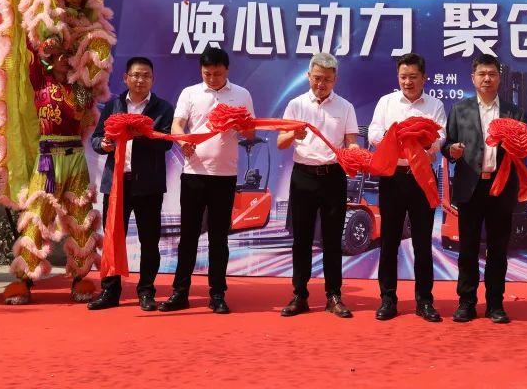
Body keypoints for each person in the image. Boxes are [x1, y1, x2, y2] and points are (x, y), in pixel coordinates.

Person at [160, 47, 255, 314]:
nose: (212, 79)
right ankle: (180, 292)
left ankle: (217, 294)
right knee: (189, 235)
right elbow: (177, 125)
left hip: (224, 176)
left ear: (227, 70)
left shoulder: (242, 94)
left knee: (218, 238)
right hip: (193, 174)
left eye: (217, 74)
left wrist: (239, 124)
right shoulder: (190, 93)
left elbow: (250, 133)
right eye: (207, 74)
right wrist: (183, 141)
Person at [4, 44, 100, 305]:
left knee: (82, 218)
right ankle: (24, 280)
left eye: (70, 55)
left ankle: (81, 278)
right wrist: (43, 39)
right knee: (36, 217)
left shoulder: (81, 86)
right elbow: (28, 50)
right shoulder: (41, 81)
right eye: (60, 55)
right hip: (48, 159)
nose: (65, 60)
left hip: (75, 158)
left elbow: (97, 61)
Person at [443, 54, 527, 324]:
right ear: (473, 78)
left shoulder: (514, 113)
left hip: (501, 187)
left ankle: (495, 304)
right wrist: (452, 150)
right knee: (467, 248)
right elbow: (446, 145)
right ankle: (466, 303)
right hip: (470, 187)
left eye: (492, 74)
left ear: (500, 78)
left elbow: (524, 148)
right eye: (482, 74)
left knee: (498, 249)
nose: (487, 79)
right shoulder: (460, 110)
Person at [88, 57, 175, 312]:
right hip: (116, 185)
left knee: (149, 241)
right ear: (125, 78)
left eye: (146, 76)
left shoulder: (162, 108)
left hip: (148, 186)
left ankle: (146, 291)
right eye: (136, 75)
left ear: (152, 80)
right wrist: (103, 145)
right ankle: (110, 291)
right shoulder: (113, 105)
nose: (140, 80)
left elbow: (166, 142)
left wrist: (141, 134)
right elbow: (96, 138)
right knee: (113, 239)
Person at [277, 53, 359, 318]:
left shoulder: (345, 107)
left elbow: (351, 142)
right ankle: (299, 295)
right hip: (304, 176)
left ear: (335, 79)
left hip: (333, 176)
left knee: (333, 239)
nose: (321, 84)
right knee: (301, 238)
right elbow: (281, 142)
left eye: (327, 79)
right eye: (317, 78)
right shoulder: (296, 104)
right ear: (308, 76)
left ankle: (334, 296)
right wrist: (293, 134)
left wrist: (355, 153)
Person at [368, 53, 446, 322]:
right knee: (389, 241)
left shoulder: (435, 105)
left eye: (413, 77)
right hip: (393, 177)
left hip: (422, 177)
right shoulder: (386, 102)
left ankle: (424, 301)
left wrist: (423, 140)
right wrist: (396, 136)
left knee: (423, 243)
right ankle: (388, 299)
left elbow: (441, 136)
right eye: (403, 77)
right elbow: (373, 133)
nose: (408, 82)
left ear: (424, 78)